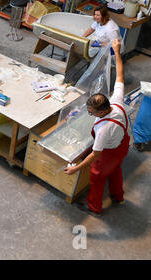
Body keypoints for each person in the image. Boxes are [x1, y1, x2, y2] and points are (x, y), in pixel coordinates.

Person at [64, 39, 129, 217]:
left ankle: (94, 207)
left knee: (98, 177)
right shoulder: (117, 102)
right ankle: (118, 197)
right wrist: (117, 51)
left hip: (108, 152)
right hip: (122, 146)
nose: (90, 113)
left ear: (101, 111)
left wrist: (75, 168)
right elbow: (121, 76)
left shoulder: (103, 130)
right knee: (115, 170)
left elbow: (96, 154)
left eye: (91, 112)